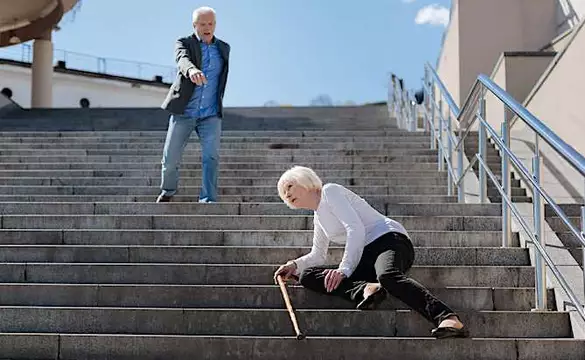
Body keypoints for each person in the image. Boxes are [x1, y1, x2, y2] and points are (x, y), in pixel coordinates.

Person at [273, 166, 469, 339]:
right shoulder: (318, 218)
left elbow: (355, 228)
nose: (286, 193)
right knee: (308, 275)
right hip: (365, 256)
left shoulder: (329, 192)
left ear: (305, 181)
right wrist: (294, 265)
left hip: (389, 240)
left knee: (387, 275)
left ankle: (448, 318)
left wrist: (344, 270)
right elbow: (318, 255)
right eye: (283, 193)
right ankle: (366, 288)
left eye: (289, 186)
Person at [157, 6, 230, 203]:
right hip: (184, 112)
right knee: (170, 159)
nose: (208, 28)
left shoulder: (223, 48)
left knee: (211, 158)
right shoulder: (184, 43)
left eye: (211, 23)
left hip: (210, 114)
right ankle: (168, 190)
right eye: (203, 24)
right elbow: (182, 59)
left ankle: (208, 199)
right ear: (194, 25)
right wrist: (191, 71)